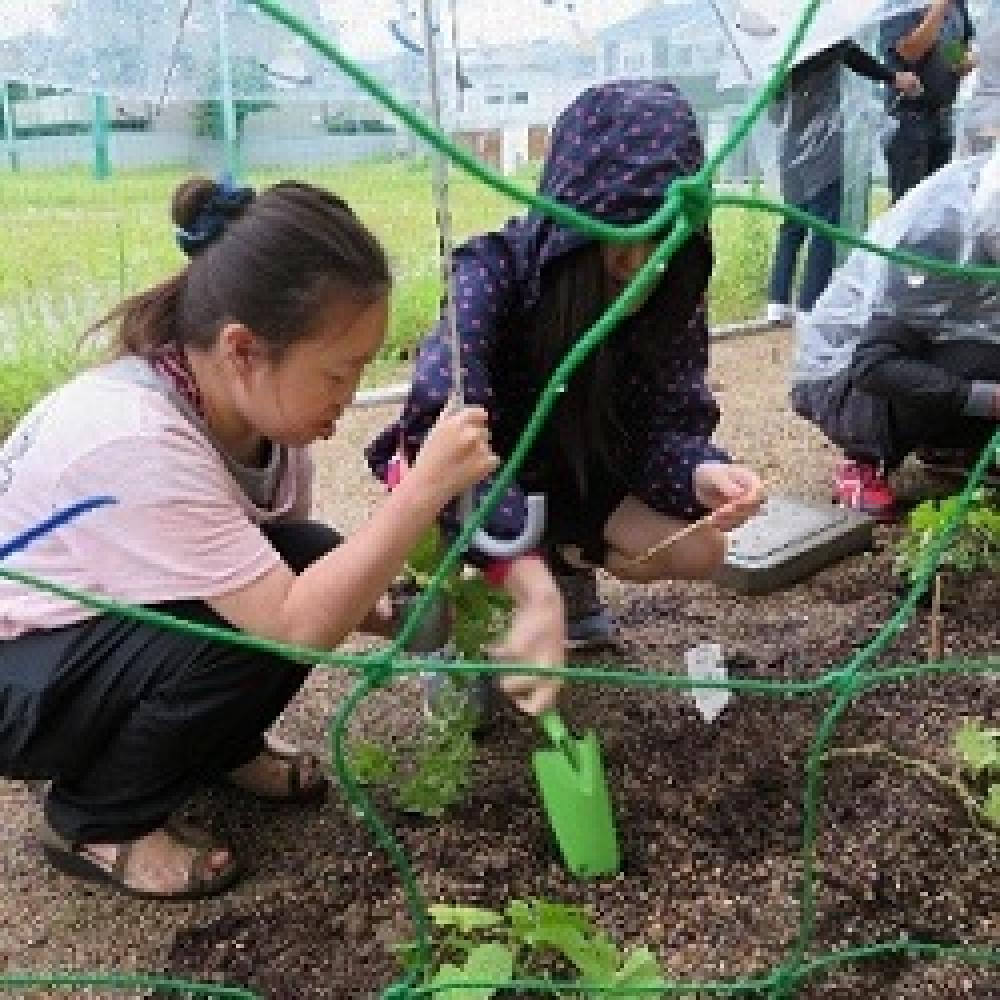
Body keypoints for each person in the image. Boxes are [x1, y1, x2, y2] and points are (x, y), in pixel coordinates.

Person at [0, 176, 564, 901]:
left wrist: (389, 614)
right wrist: (422, 492)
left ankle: (218, 750)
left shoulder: (257, 415)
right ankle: (96, 821)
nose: (352, 394)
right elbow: (295, 623)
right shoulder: (133, 440)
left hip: (88, 635)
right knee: (248, 631)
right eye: (339, 370)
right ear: (243, 349)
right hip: (19, 670)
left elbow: (276, 569)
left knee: (306, 550)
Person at [367, 80, 765, 656]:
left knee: (702, 548)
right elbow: (441, 434)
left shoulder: (671, 294)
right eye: (617, 244)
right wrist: (526, 583)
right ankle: (454, 622)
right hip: (482, 475)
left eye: (657, 244)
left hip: (581, 477)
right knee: (428, 497)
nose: (637, 269)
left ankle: (569, 566)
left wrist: (702, 474)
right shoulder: (489, 276)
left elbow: (670, 423)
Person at [790, 150, 1000, 519]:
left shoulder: (982, 220)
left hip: (912, 353)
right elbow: (873, 365)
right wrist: (988, 400)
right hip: (840, 381)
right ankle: (863, 461)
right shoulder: (936, 238)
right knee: (982, 362)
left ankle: (949, 447)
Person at [766, 40, 922, 324]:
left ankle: (777, 301)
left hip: (789, 141)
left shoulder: (781, 41)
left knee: (793, 219)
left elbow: (775, 106)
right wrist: (893, 77)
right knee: (825, 222)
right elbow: (852, 55)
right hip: (822, 139)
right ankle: (810, 304)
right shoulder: (822, 33)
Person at [880, 0, 978, 203]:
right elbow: (910, 52)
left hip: (941, 119)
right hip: (909, 121)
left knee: (934, 208)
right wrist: (940, 7)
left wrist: (964, 62)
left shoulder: (958, 6)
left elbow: (952, 47)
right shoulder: (902, 4)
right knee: (908, 208)